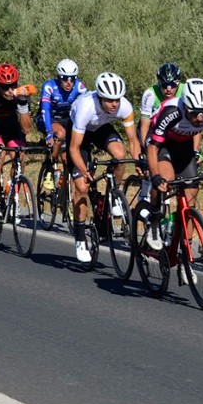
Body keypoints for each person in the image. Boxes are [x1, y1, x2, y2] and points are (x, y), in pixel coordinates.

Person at [146, 78, 203, 265]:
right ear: (185, 106)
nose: (199, 118)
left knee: (189, 203)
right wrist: (155, 176)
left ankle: (184, 252)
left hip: (184, 147)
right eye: (194, 114)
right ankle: (154, 220)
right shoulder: (171, 111)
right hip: (161, 145)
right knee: (166, 179)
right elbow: (152, 149)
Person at [67, 72, 142, 262]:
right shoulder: (86, 107)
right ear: (100, 97)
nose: (114, 104)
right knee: (82, 187)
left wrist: (140, 161)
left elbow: (133, 141)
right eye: (109, 100)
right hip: (79, 133)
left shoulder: (124, 106)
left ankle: (113, 195)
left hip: (101, 128)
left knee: (120, 155)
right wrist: (84, 170)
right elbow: (74, 149)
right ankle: (80, 238)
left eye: (116, 100)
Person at [0, 62, 36, 221]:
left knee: (20, 156)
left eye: (12, 85)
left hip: (11, 126)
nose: (9, 90)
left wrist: (23, 105)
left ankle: (13, 196)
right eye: (5, 87)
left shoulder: (20, 93)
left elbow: (26, 129)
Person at [35, 58, 87, 189]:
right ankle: (49, 166)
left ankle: (64, 195)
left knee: (66, 158)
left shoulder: (80, 87)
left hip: (65, 119)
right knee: (60, 133)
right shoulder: (49, 86)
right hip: (47, 118)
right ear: (59, 77)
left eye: (72, 78)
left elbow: (85, 108)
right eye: (65, 78)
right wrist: (48, 132)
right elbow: (45, 110)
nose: (69, 82)